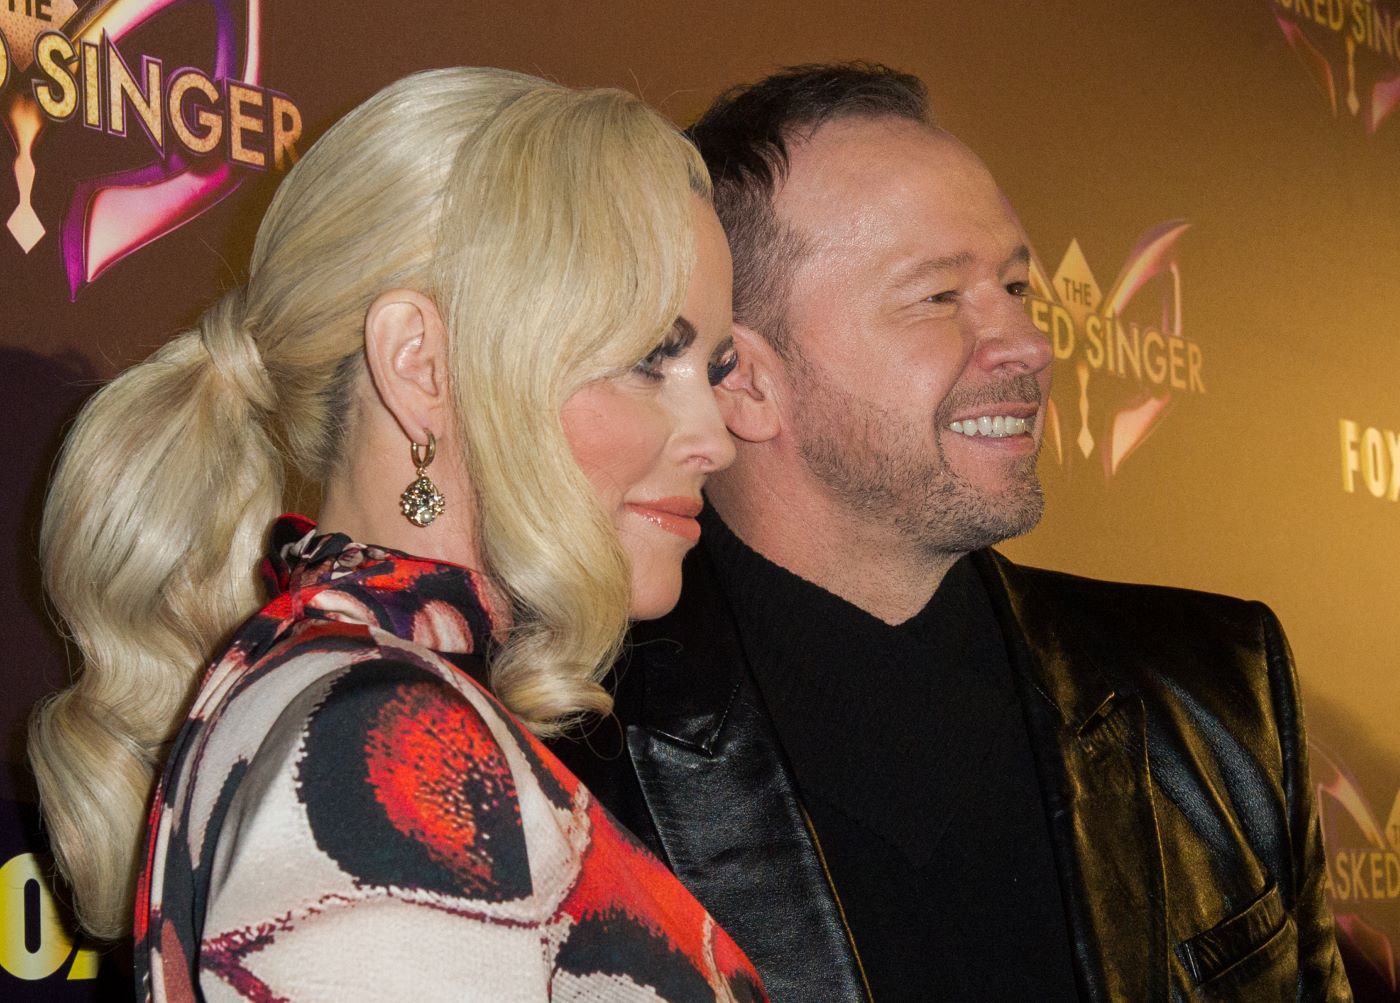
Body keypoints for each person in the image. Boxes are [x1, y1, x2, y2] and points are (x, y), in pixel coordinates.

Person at [555, 64, 1351, 1002]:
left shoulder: (1218, 694)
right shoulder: (565, 746)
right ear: (746, 382)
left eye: (1015, 286)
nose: (1026, 341)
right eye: (940, 298)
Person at [29, 67, 768, 1002]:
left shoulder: (356, 692)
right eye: (649, 360)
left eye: (715, 364)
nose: (714, 438)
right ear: (421, 365)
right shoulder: (371, 744)